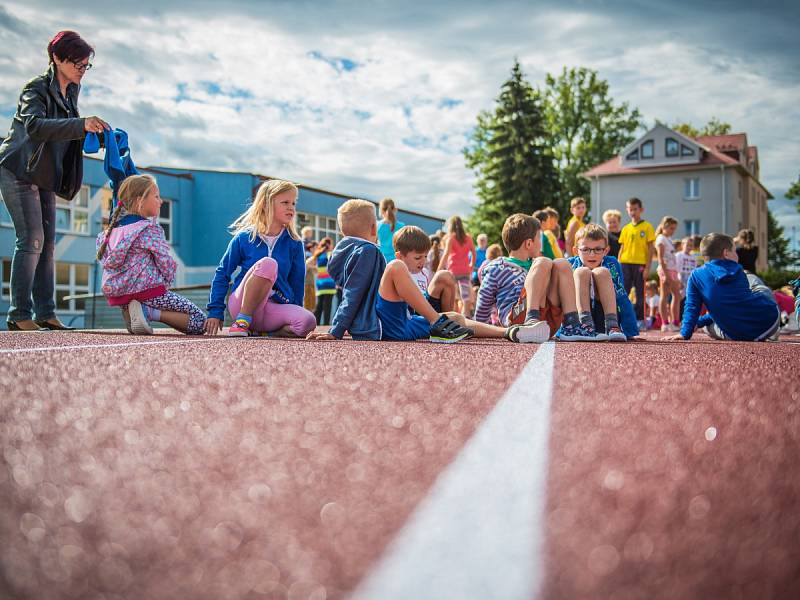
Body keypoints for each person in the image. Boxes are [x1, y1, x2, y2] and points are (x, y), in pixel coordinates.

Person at [0, 31, 109, 331]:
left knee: (48, 245)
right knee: (32, 239)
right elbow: (35, 127)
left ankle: (45, 313)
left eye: (86, 65)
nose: (82, 70)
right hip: (17, 170)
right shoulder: (34, 89)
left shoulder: (71, 92)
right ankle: (19, 314)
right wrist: (79, 123)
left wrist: (94, 136)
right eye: (78, 64)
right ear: (57, 59)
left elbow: (67, 134)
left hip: (44, 176)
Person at [306, 200, 470, 343]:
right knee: (452, 318)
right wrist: (336, 330)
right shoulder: (368, 251)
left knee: (456, 318)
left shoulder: (346, 252)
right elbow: (353, 292)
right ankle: (437, 322)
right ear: (373, 229)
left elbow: (354, 292)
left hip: (377, 322)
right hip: (382, 324)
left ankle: (496, 331)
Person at [96, 175, 206, 335]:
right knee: (199, 320)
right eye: (156, 196)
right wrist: (166, 282)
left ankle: (131, 309)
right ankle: (149, 312)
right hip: (148, 292)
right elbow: (165, 262)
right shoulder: (148, 230)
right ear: (140, 200)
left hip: (118, 293)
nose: (160, 201)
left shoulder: (107, 234)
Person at [206, 179, 315, 338]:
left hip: (273, 310)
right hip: (242, 304)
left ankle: (265, 331)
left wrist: (295, 312)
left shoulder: (295, 243)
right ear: (265, 204)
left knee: (307, 322)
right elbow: (222, 273)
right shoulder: (244, 238)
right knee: (268, 264)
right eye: (285, 202)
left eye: (293, 203)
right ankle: (242, 322)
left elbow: (297, 282)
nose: (291, 207)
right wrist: (215, 311)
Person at [475, 213, 604, 342]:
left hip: (546, 322)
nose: (541, 244)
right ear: (529, 243)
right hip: (518, 321)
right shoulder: (498, 267)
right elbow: (484, 299)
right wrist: (479, 325)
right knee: (543, 261)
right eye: (539, 239)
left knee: (562, 263)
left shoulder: (537, 266)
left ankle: (572, 324)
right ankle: (531, 319)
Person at [377, 226, 519, 343]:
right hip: (394, 327)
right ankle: (439, 324)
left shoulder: (424, 273)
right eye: (417, 257)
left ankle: (508, 332)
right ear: (400, 255)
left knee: (455, 317)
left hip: (409, 325)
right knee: (396, 266)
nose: (423, 261)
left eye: (425, 256)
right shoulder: (395, 269)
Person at [663, 233, 780, 342]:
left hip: (735, 335)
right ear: (726, 253)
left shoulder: (695, 275)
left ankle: (701, 323)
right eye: (734, 251)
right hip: (769, 323)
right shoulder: (739, 270)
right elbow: (737, 305)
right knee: (758, 284)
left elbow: (692, 306)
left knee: (708, 328)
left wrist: (685, 333)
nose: (737, 254)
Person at [567, 224, 638, 341]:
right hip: (578, 320)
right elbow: (563, 298)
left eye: (598, 249)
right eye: (585, 249)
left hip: (603, 317)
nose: (592, 254)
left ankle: (612, 326)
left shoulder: (611, 264)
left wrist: (630, 331)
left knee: (602, 272)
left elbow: (621, 295)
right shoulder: (570, 264)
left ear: (606, 250)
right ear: (575, 250)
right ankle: (585, 324)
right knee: (581, 272)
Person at [618, 197, 655, 328]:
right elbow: (622, 248)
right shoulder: (626, 228)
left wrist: (647, 267)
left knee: (640, 293)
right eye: (630, 209)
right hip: (625, 263)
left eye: (635, 209)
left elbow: (651, 248)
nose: (632, 212)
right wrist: (618, 264)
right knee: (622, 292)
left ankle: (640, 320)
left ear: (641, 210)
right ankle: (620, 319)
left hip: (640, 264)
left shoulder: (647, 227)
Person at [439, 215, 476, 316]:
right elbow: (473, 253)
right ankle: (466, 316)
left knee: (453, 297)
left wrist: (439, 269)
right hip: (465, 270)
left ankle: (454, 317)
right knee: (465, 297)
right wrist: (471, 265)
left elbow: (446, 255)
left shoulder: (451, 238)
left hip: (453, 271)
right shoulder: (468, 238)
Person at [655, 216, 681, 332]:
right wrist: (666, 274)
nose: (673, 231)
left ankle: (675, 321)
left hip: (673, 270)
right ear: (664, 226)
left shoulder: (669, 239)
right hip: (666, 270)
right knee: (664, 296)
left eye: (674, 229)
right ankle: (665, 323)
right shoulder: (661, 239)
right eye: (671, 228)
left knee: (676, 295)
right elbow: (660, 258)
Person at [312, 237, 337, 326]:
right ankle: (326, 326)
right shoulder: (330, 254)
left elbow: (312, 266)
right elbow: (334, 267)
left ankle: (315, 324)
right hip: (329, 283)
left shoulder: (317, 255)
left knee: (319, 305)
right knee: (328, 306)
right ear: (329, 245)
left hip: (320, 283)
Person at [377, 197, 405, 263]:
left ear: (381, 210)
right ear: (395, 209)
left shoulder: (377, 225)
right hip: (395, 261)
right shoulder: (402, 226)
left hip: (380, 259)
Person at [301, 226, 317, 312]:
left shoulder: (306, 243)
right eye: (310, 232)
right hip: (306, 280)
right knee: (308, 302)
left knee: (311, 302)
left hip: (310, 279)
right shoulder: (304, 243)